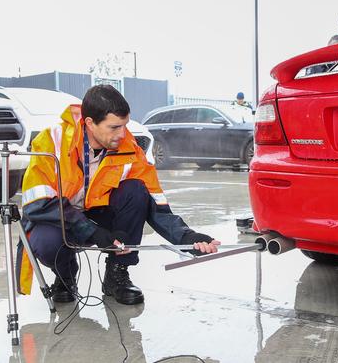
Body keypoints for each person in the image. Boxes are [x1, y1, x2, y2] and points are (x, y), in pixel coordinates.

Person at [20, 84, 221, 305]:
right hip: (59, 216)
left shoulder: (128, 146)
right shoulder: (52, 141)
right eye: (114, 127)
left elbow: (153, 198)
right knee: (47, 243)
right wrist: (90, 231)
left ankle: (117, 273)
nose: (122, 133)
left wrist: (185, 237)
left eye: (124, 126)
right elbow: (38, 203)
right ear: (89, 123)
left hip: (98, 210)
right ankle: (65, 275)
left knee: (136, 191)